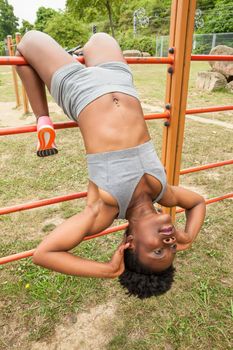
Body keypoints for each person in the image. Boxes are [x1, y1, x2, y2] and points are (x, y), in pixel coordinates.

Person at [16, 31, 206, 299]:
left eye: (158, 251)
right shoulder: (164, 192)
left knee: (27, 43)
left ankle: (42, 118)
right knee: (99, 38)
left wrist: (107, 269)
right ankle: (74, 56)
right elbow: (198, 203)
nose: (170, 243)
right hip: (120, 81)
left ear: (129, 244)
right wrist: (190, 235)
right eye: (172, 250)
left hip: (79, 89)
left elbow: (44, 254)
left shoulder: (104, 209)